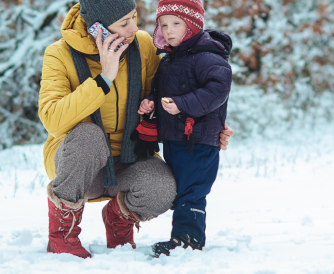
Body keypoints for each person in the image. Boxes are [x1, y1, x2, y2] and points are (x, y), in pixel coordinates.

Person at [37, 0, 234, 259]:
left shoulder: (142, 45)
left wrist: (207, 125)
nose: (134, 28)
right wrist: (103, 78)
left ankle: (119, 219)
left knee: (163, 188)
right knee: (89, 136)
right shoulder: (58, 54)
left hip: (130, 158)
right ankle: (62, 234)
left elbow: (169, 96)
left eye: (134, 17)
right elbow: (52, 119)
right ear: (98, 27)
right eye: (123, 23)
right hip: (80, 165)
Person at [135, 0, 233, 256]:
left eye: (176, 24)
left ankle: (188, 238)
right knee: (181, 190)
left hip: (199, 140)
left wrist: (182, 104)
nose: (169, 30)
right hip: (177, 140)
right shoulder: (169, 59)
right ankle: (181, 236)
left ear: (192, 25)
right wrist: (152, 102)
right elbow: (165, 93)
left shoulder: (208, 57)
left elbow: (217, 90)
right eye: (164, 24)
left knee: (192, 190)